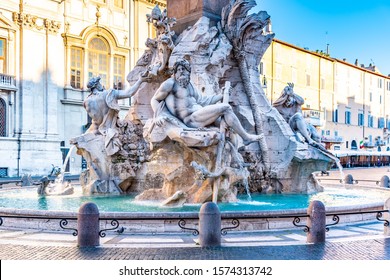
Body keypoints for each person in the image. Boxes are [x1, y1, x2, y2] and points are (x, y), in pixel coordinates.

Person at [150, 58, 263, 145]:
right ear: (174, 73)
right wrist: (158, 116)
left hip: (200, 114)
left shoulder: (189, 85)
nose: (181, 72)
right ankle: (246, 138)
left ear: (189, 72)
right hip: (191, 119)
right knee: (226, 108)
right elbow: (154, 99)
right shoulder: (170, 84)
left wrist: (220, 95)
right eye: (178, 70)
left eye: (184, 69)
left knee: (230, 128)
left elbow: (203, 101)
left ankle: (233, 162)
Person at [83, 73, 149, 155]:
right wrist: (140, 80)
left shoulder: (86, 101)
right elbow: (129, 93)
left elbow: (96, 119)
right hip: (111, 130)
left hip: (95, 131)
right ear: (96, 85)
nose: (101, 85)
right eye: (99, 83)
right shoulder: (109, 94)